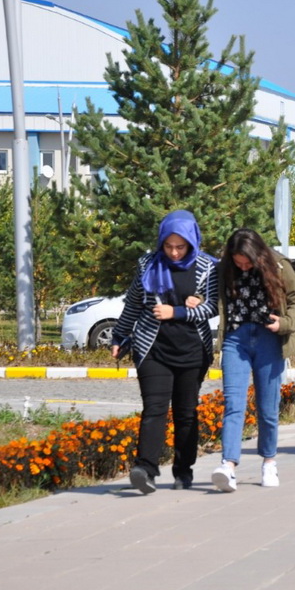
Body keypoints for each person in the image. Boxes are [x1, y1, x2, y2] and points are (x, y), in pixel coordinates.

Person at [112, 210, 219, 493]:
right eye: (168, 246)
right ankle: (145, 469)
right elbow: (134, 303)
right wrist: (120, 335)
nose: (173, 252)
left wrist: (178, 312)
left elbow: (212, 308)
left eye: (180, 247)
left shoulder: (208, 266)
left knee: (186, 413)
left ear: (192, 243)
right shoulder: (147, 263)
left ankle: (184, 470)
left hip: (192, 350)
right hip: (152, 348)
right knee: (154, 410)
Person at [212, 228, 295, 492]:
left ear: (258, 255)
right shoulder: (224, 268)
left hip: (269, 339)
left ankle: (269, 462)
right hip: (235, 340)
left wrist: (285, 323)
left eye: (247, 262)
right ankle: (228, 466)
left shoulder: (278, 265)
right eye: (237, 261)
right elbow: (211, 295)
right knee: (233, 404)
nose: (242, 266)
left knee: (267, 407)